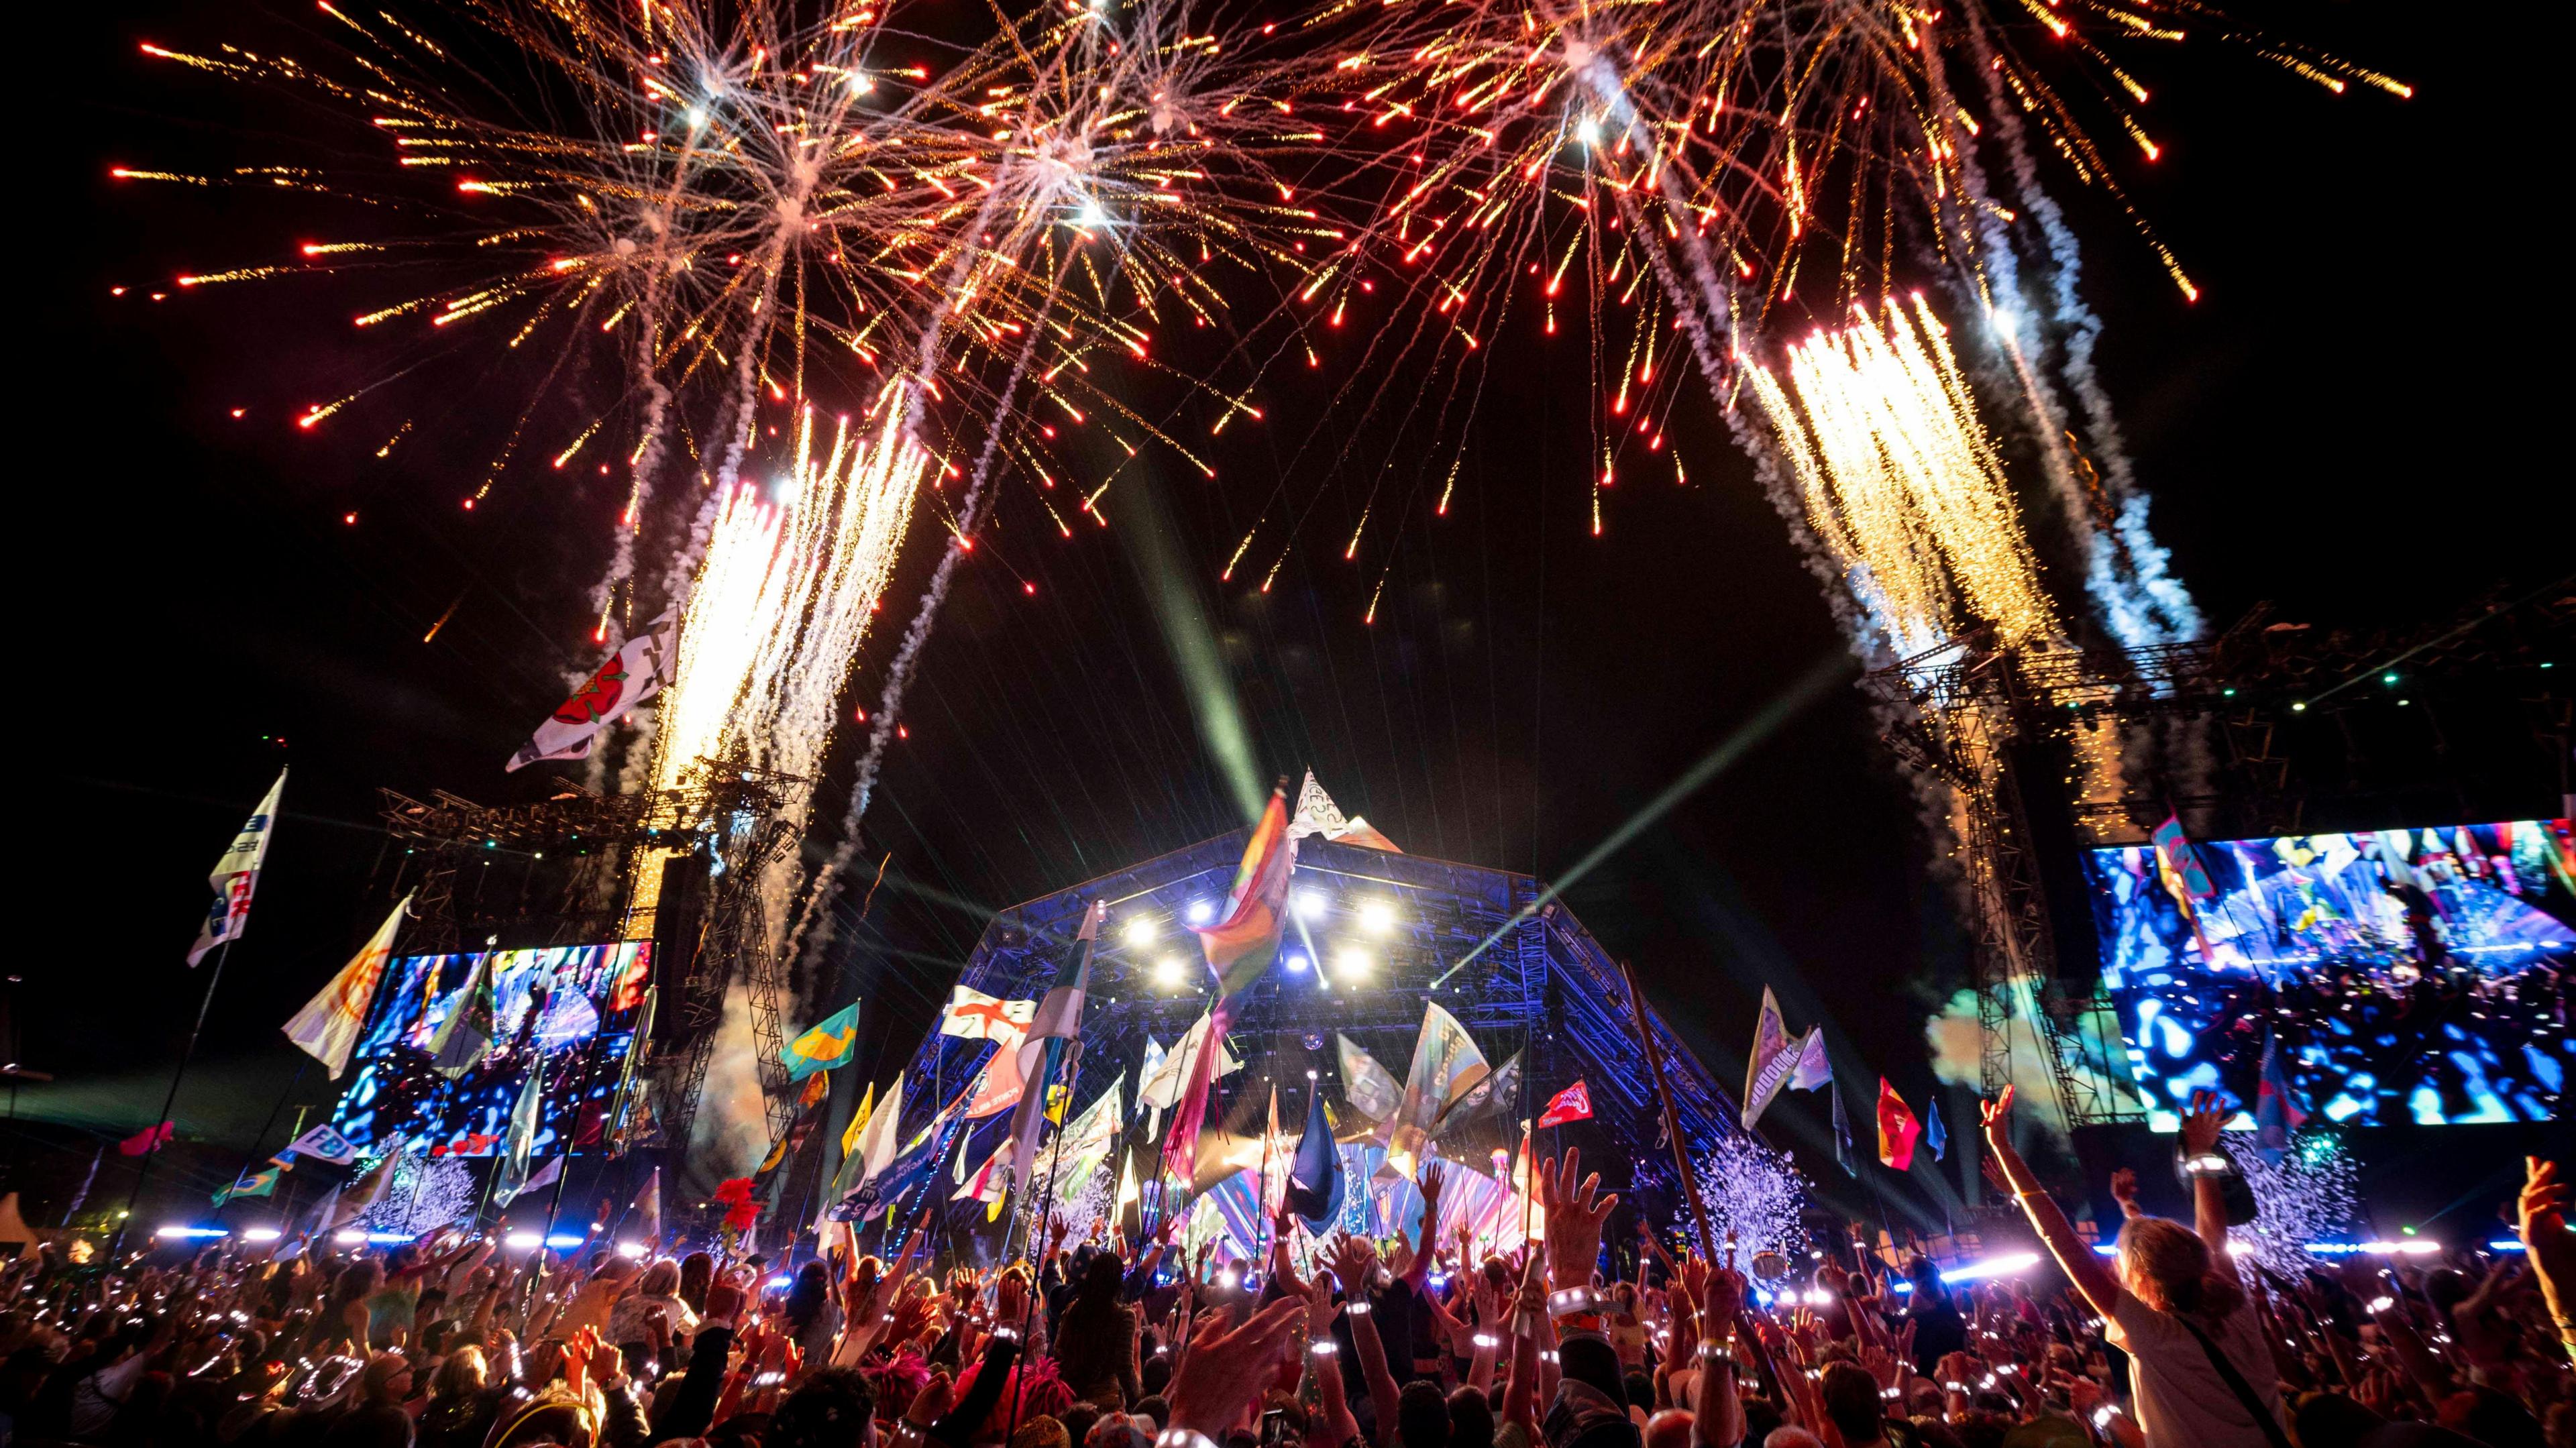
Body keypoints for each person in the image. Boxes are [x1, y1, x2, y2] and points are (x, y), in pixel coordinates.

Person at [1986, 1087, 2282, 1447]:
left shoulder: (2153, 1335)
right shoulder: (2236, 1311)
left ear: (2140, 1280)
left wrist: (2004, 1150)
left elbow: (2061, 1239)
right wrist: (2200, 1151)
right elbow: (2213, 1233)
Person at [1055, 1250, 1142, 1408]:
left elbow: (1059, 1350)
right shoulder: (1123, 1316)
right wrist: (1137, 1400)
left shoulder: (1073, 1309)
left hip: (1069, 1398)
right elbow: (1124, 1366)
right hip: (1106, 1403)